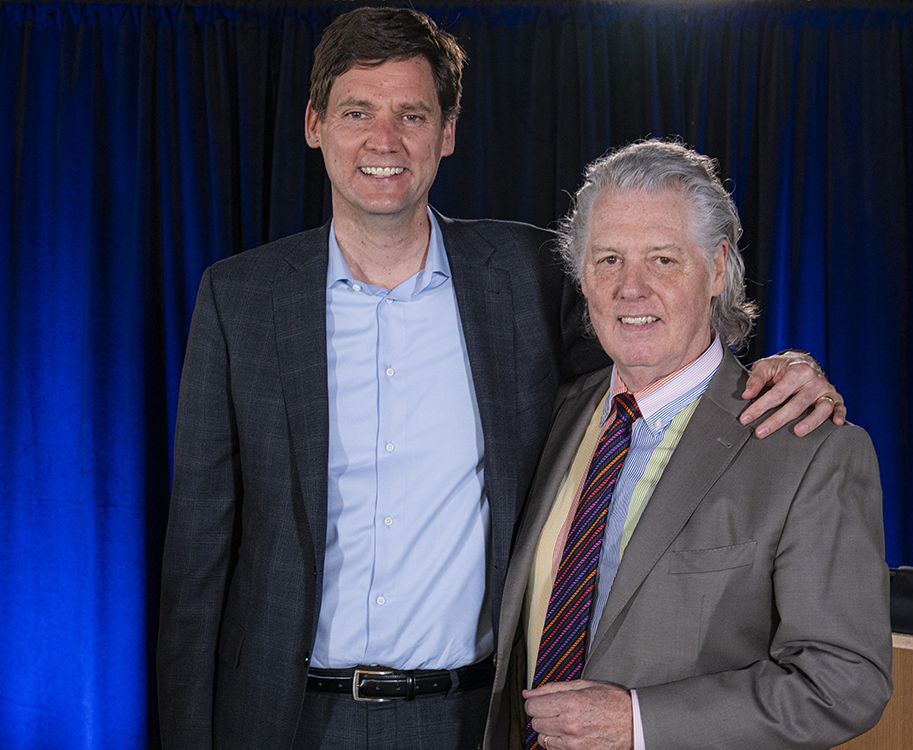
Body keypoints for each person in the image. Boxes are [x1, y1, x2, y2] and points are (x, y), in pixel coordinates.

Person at [157, 8, 848, 750]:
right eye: (357, 112)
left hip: (469, 719)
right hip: (280, 718)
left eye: (412, 114)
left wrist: (779, 364)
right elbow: (197, 557)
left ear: (446, 133)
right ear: (315, 123)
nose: (383, 141)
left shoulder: (524, 277)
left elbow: (657, 353)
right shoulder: (240, 298)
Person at [483, 140, 891, 750]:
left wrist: (639, 723)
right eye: (609, 259)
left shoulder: (808, 450)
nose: (632, 287)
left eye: (664, 260)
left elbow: (844, 681)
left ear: (719, 268)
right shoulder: (553, 413)